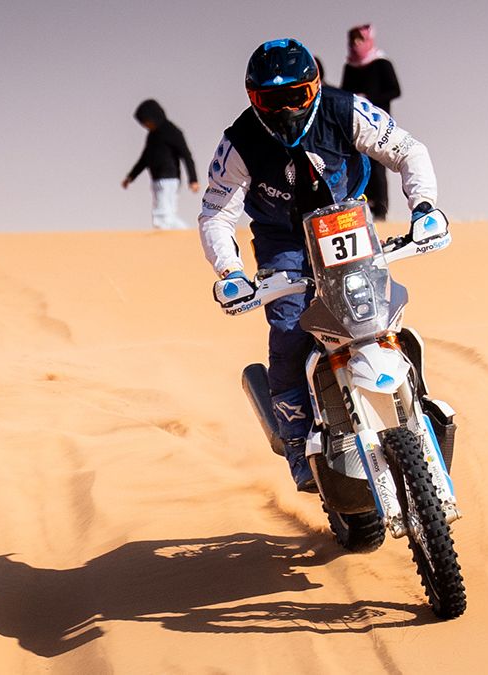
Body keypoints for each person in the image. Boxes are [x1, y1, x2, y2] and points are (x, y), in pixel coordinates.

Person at [199, 38, 440, 491]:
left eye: (296, 95)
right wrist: (230, 272)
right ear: (253, 99)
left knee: (380, 314)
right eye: (271, 100)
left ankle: (416, 402)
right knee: (290, 330)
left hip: (346, 221)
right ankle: (297, 444)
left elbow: (408, 150)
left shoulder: (346, 110)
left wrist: (424, 206)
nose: (286, 108)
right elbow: (216, 214)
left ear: (314, 87)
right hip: (283, 240)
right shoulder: (240, 141)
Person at [341, 24, 401, 221]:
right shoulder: (349, 66)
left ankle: (381, 210)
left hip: (378, 124)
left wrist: (369, 98)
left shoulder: (381, 63)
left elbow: (394, 90)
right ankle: (362, 208)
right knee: (357, 165)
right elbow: (343, 93)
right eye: (353, 41)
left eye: (359, 40)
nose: (356, 44)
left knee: (377, 165)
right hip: (354, 125)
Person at [122, 100, 200, 230]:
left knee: (162, 217)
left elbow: (186, 155)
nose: (145, 125)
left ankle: (187, 236)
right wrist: (131, 177)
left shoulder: (173, 132)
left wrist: (193, 179)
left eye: (146, 121)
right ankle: (184, 237)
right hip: (157, 180)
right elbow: (144, 159)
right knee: (165, 215)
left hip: (169, 180)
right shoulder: (152, 136)